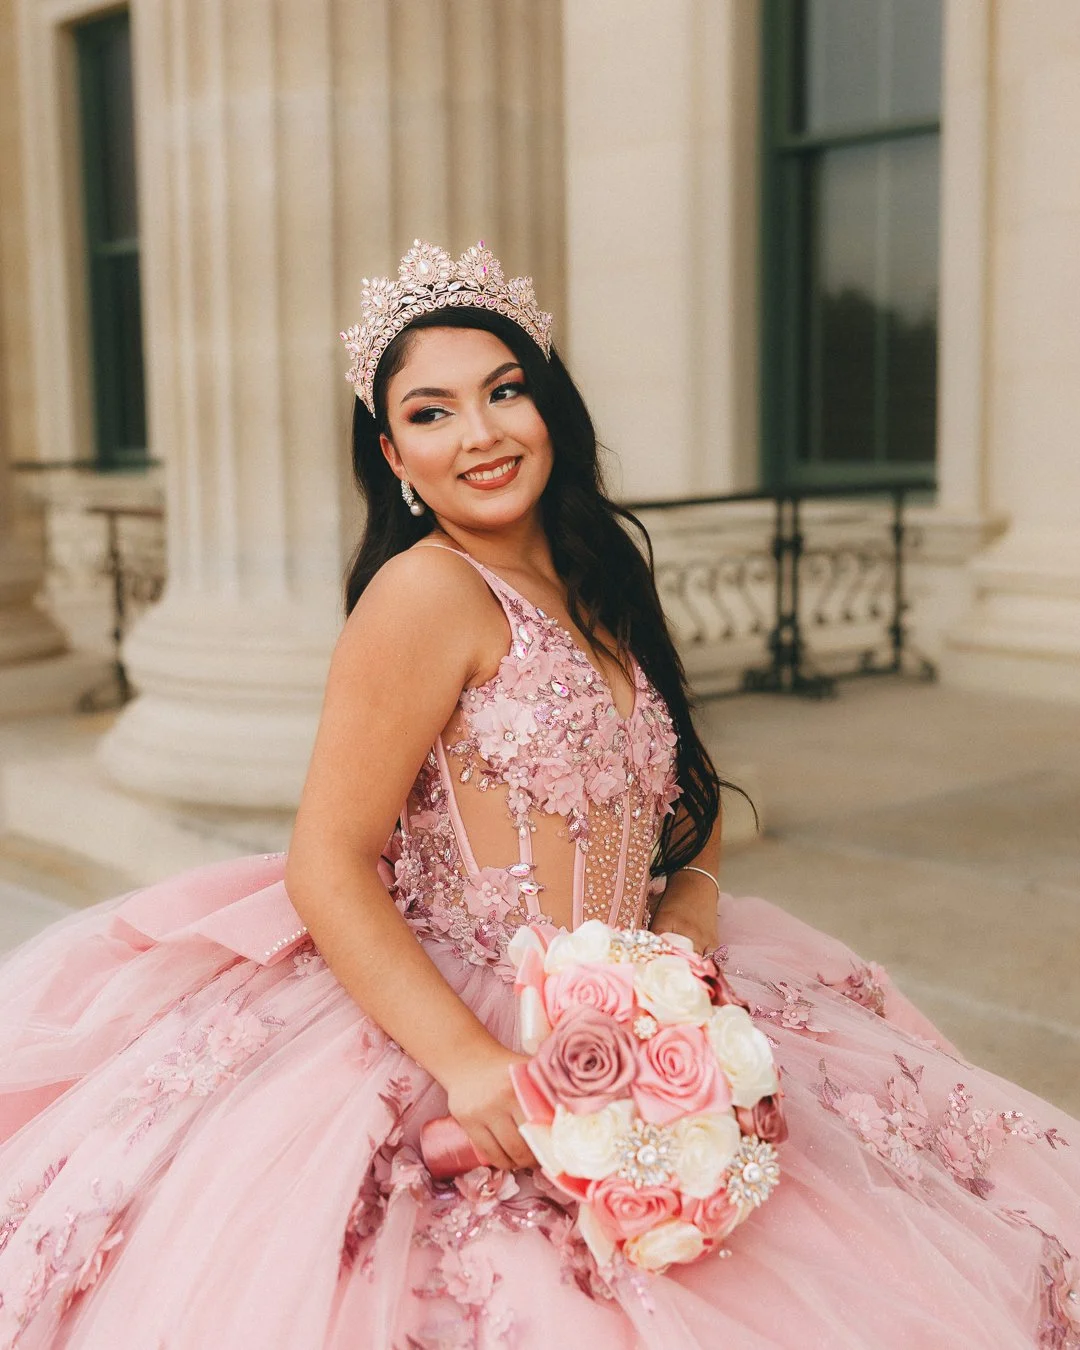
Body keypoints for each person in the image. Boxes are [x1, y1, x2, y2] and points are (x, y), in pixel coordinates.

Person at [0, 240, 1077, 1350]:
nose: (479, 434)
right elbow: (324, 865)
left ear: (547, 405)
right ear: (393, 455)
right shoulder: (423, 595)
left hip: (644, 993)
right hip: (465, 1013)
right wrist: (474, 1066)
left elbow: (684, 804)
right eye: (432, 413)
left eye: (505, 391)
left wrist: (682, 938)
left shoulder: (600, 574)